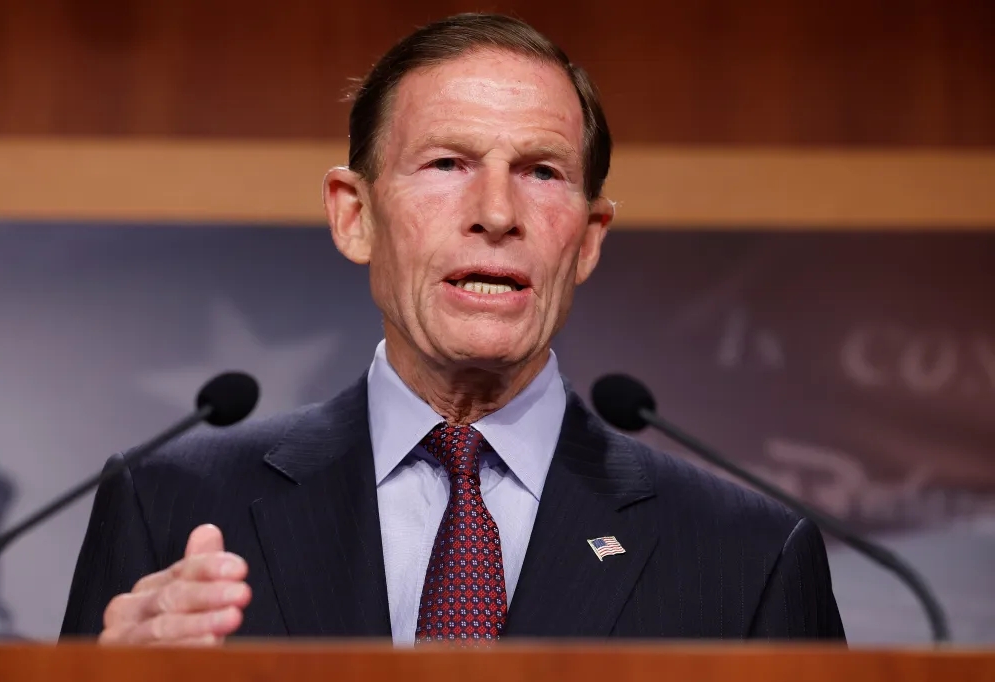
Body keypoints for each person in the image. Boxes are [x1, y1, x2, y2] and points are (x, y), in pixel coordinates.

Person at [60, 13, 844, 646]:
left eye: (542, 171)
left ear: (590, 237)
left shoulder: (748, 556)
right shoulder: (166, 504)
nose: (497, 214)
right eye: (446, 164)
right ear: (355, 215)